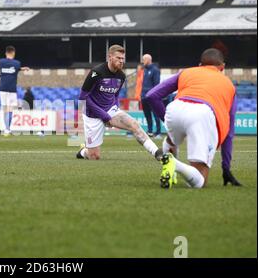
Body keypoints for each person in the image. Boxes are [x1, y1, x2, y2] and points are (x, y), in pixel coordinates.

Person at [145, 48, 241, 188]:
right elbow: (229, 133)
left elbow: (151, 96)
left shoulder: (187, 72)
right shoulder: (229, 85)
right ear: (222, 67)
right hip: (203, 113)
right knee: (200, 181)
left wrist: (167, 120)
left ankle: (169, 164)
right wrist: (226, 168)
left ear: (200, 65)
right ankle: (175, 164)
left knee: (171, 139)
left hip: (176, 107)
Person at [76, 45, 163, 165]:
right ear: (110, 57)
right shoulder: (96, 73)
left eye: (123, 58)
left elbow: (115, 95)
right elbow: (82, 98)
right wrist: (104, 116)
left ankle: (157, 152)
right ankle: (83, 151)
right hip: (92, 115)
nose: (121, 61)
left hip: (110, 110)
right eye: (118, 58)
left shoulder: (121, 76)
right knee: (94, 156)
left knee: (134, 124)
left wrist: (115, 108)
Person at [0, 45, 30, 136]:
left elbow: (5, 72)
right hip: (12, 89)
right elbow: (14, 70)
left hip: (3, 89)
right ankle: (8, 129)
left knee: (5, 109)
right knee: (10, 110)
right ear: (14, 53)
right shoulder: (17, 63)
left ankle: (6, 129)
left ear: (6, 53)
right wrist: (21, 69)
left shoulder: (1, 61)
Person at [140, 54, 161, 138]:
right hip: (143, 97)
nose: (142, 62)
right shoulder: (144, 70)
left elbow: (156, 85)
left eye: (143, 60)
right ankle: (150, 131)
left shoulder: (155, 70)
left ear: (148, 60)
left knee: (156, 114)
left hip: (151, 97)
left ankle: (158, 132)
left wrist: (152, 95)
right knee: (147, 115)